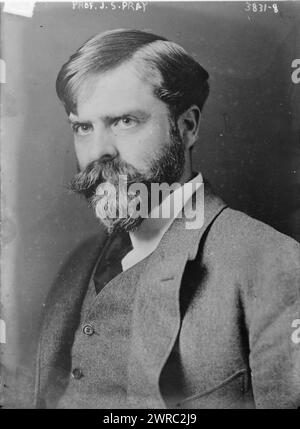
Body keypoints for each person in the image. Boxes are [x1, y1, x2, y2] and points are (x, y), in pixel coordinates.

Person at [34, 29, 300, 409]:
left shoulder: (273, 262)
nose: (98, 152)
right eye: (83, 127)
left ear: (187, 126)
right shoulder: (79, 262)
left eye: (125, 121)